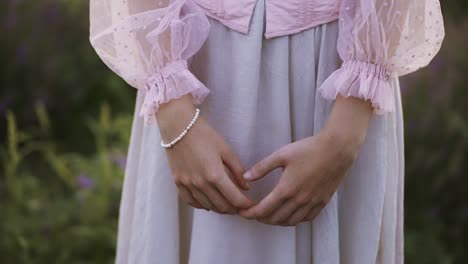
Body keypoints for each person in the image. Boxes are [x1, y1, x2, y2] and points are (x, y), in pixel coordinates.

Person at [89, 0, 445, 263]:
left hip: (341, 77)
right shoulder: (172, 87)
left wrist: (343, 135)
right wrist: (173, 108)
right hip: (188, 65)